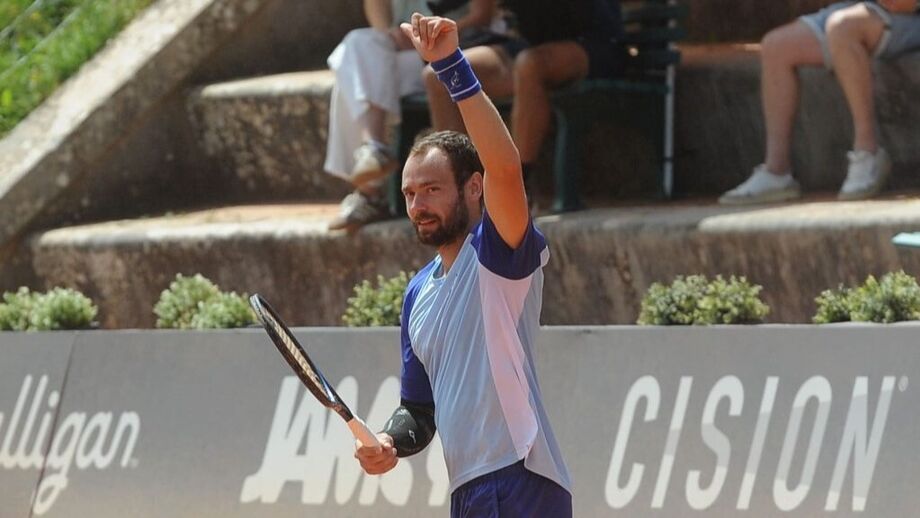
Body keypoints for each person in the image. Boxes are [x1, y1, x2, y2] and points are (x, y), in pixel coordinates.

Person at [354, 13, 572, 517]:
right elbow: (419, 409)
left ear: (473, 189)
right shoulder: (417, 295)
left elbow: (505, 167)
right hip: (466, 491)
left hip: (523, 478)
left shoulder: (497, 255)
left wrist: (451, 65)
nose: (418, 205)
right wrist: (389, 441)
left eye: (432, 189)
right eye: (409, 194)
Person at [422, 0, 625, 202]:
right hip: (529, 45)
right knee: (439, 75)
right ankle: (463, 186)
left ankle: (516, 186)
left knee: (530, 65)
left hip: (593, 42)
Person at [720, 0, 920, 205]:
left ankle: (867, 151)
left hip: (910, 16)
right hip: (863, 9)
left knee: (842, 27)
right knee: (776, 46)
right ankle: (777, 172)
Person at [325, 0, 501, 232]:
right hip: (414, 53)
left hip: (464, 47)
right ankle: (373, 148)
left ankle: (370, 191)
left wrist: (428, 35)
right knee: (357, 46)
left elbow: (482, 16)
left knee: (354, 73)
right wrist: (391, 34)